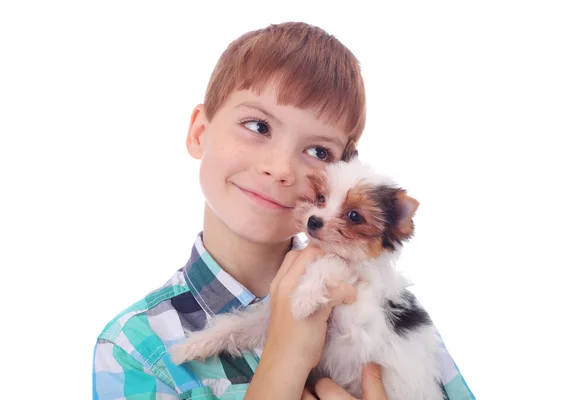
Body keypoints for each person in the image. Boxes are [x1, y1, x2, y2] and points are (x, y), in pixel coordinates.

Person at [92, 22, 475, 400]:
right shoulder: (133, 348)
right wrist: (285, 357)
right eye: (257, 125)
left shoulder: (394, 311)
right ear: (199, 133)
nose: (280, 168)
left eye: (318, 152)